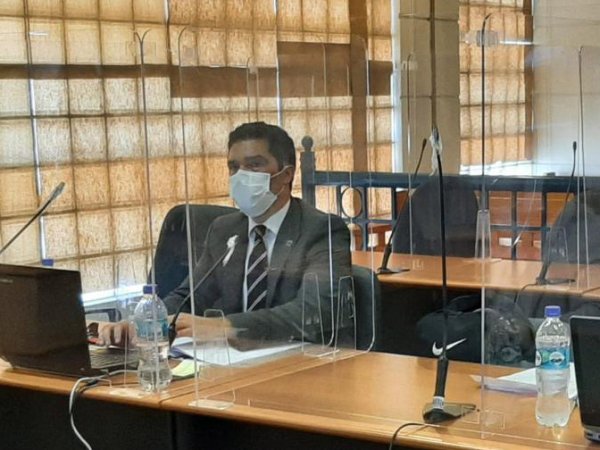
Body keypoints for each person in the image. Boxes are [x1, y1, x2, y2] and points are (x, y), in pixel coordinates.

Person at [100, 122, 351, 346]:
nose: (241, 175)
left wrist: (226, 326)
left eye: (254, 164)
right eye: (234, 167)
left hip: (297, 359)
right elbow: (190, 297)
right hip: (229, 361)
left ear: (286, 174)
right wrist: (143, 322)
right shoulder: (224, 230)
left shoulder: (321, 230)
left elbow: (317, 310)